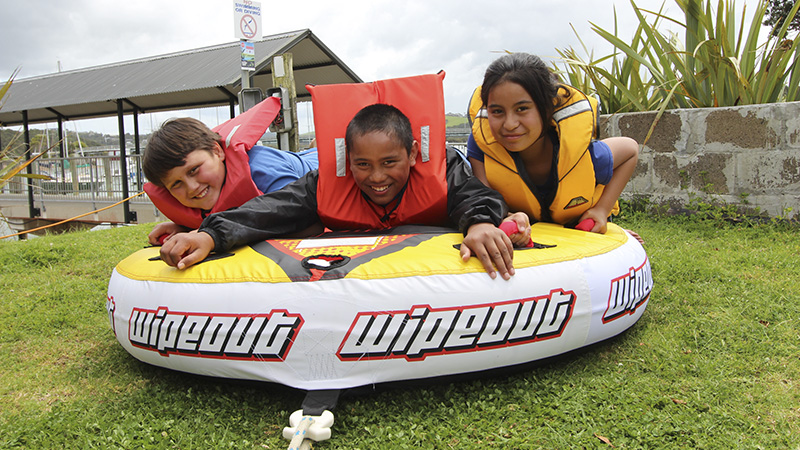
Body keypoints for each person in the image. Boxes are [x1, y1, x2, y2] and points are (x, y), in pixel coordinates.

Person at [160, 103, 516, 280]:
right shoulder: (326, 183)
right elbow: (269, 209)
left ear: (412, 155)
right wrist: (209, 234)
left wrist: (481, 223)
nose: (377, 177)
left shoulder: (442, 168)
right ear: (349, 162)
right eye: (363, 165)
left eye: (390, 162)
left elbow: (479, 196)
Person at [467, 53, 640, 246]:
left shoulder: (585, 155)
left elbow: (630, 149)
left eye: (522, 109)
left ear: (547, 108)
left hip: (575, 226)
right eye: (497, 111)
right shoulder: (482, 146)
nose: (509, 124)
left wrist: (601, 210)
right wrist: (508, 217)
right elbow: (484, 197)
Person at [142, 97, 318, 245]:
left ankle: (316, 144)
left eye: (194, 170)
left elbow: (307, 220)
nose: (192, 187)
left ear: (217, 151)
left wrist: (208, 233)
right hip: (297, 158)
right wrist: (186, 228)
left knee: (322, 148)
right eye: (176, 184)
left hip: (320, 160)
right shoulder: (209, 186)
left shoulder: (261, 171)